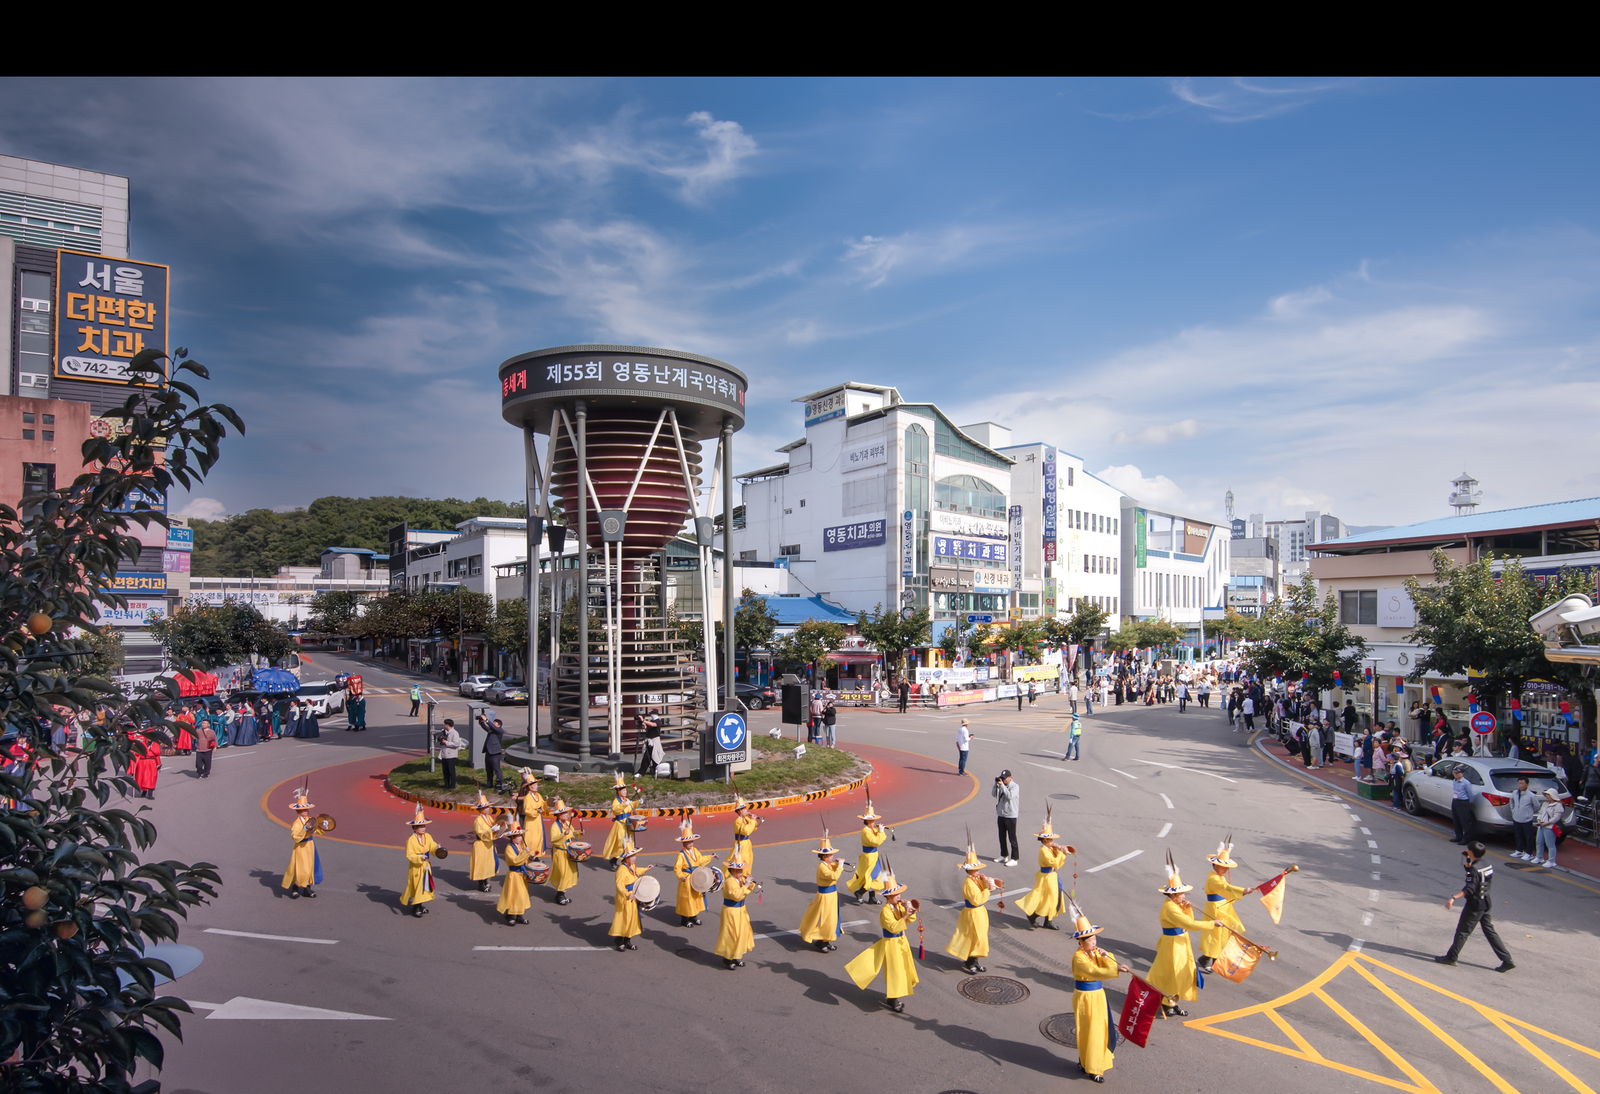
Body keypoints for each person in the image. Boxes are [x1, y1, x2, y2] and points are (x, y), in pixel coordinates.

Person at [844, 859, 919, 1011]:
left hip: (901, 942)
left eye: (899, 894)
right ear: (888, 897)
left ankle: (893, 997)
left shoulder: (898, 906)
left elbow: (911, 919)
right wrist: (905, 916)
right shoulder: (886, 911)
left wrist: (910, 909)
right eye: (895, 895)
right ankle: (893, 1000)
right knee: (895, 971)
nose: (898, 896)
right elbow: (893, 927)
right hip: (891, 944)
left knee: (902, 969)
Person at [1146, 854, 1215, 1019]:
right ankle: (1166, 1002)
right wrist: (1212, 924)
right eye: (1181, 894)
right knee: (1172, 974)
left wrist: (1187, 908)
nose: (1184, 896)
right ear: (1173, 895)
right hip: (1172, 944)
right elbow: (1189, 924)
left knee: (1182, 973)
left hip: (1181, 942)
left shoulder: (1176, 905)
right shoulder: (1170, 908)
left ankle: (1174, 1002)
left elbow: (1188, 920)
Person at [1068, 898, 1129, 1084]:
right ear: (1081, 942)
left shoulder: (1093, 952)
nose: (1094, 942)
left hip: (1098, 996)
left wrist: (1106, 956)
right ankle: (1093, 1068)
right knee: (1090, 1031)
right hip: (1086, 997)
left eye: (1095, 938)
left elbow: (1105, 965)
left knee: (1099, 1029)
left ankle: (1087, 1061)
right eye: (1090, 939)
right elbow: (1094, 972)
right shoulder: (1079, 958)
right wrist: (1116, 969)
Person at [1436, 840, 1513, 971]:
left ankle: (1451, 958)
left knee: (1462, 931)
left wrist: (1453, 898)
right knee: (1489, 931)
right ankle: (1507, 959)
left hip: (1475, 905)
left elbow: (1470, 888)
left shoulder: (1474, 869)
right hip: (1486, 902)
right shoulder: (1486, 864)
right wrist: (1468, 860)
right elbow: (1474, 875)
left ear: (1471, 852)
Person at [1197, 837, 1247, 974]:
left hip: (1223, 906)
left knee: (1224, 934)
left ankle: (1215, 960)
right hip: (1214, 909)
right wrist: (1243, 891)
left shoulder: (1220, 876)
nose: (1226, 869)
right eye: (1223, 867)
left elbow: (1225, 889)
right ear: (1216, 866)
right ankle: (1207, 958)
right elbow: (1224, 888)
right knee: (1214, 935)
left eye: (1226, 867)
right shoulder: (1214, 878)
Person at [944, 845, 993, 975]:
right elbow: (976, 900)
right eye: (976, 869)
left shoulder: (975, 879)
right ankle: (970, 962)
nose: (978, 871)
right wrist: (988, 891)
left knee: (979, 936)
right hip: (973, 912)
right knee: (974, 937)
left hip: (979, 912)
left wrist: (985, 881)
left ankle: (975, 961)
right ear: (969, 870)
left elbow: (982, 889)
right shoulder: (968, 883)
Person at [1017, 810, 1068, 929]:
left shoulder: (1050, 849)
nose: (1053, 841)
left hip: (1052, 876)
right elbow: (1055, 863)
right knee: (1046, 899)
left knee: (1054, 897)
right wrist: (1061, 852)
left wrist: (1058, 848)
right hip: (1046, 877)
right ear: (1045, 840)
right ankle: (1033, 915)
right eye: (1051, 840)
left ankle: (1048, 920)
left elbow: (1058, 860)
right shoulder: (1043, 850)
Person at [799, 832, 845, 952]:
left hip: (832, 895)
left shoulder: (828, 864)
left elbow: (833, 869)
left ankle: (825, 940)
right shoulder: (822, 867)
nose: (832, 857)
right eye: (830, 855)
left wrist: (837, 864)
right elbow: (834, 876)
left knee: (832, 920)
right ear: (824, 857)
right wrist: (840, 866)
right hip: (825, 896)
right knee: (826, 920)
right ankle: (821, 942)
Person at [713, 849, 756, 969]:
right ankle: (728, 959)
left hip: (741, 910)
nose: (741, 873)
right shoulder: (729, 882)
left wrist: (750, 883)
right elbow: (737, 896)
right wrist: (746, 886)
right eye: (738, 870)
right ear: (732, 870)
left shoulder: (740, 879)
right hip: (731, 911)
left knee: (741, 933)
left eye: (741, 870)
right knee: (731, 934)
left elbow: (747, 891)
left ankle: (736, 956)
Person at [609, 840, 653, 951]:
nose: (634, 858)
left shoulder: (632, 866)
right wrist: (627, 894)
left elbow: (635, 872)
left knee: (632, 919)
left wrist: (646, 869)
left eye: (635, 855)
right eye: (632, 856)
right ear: (626, 858)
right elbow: (619, 885)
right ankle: (619, 940)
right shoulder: (621, 870)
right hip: (625, 898)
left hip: (633, 896)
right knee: (624, 919)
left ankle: (628, 940)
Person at [672, 818, 714, 928]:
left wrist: (710, 857)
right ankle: (685, 919)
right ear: (684, 843)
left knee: (696, 897)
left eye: (692, 841)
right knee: (687, 899)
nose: (691, 844)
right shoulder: (681, 855)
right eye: (689, 842)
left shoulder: (695, 851)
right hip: (687, 879)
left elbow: (700, 860)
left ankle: (693, 916)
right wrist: (681, 877)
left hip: (696, 877)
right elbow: (677, 868)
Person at [280, 787, 320, 899]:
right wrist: (304, 829)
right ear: (299, 811)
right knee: (300, 869)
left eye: (307, 809)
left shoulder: (310, 819)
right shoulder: (296, 824)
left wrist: (323, 826)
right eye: (304, 809)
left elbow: (316, 829)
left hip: (309, 846)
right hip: (301, 848)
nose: (307, 811)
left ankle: (306, 889)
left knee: (309, 868)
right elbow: (295, 837)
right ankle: (295, 887)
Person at [400, 805, 440, 917]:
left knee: (424, 886)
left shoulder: (428, 836)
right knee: (418, 886)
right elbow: (409, 855)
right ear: (415, 828)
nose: (423, 828)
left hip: (426, 865)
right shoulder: (410, 840)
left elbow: (432, 846)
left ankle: (420, 905)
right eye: (421, 827)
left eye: (424, 826)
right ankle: (416, 907)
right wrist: (419, 858)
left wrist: (437, 848)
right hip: (416, 867)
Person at [846, 798, 888, 904]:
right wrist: (881, 832)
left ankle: (871, 897)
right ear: (867, 821)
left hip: (874, 855)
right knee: (869, 876)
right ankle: (859, 892)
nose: (874, 823)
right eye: (872, 821)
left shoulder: (871, 829)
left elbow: (877, 836)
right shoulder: (865, 831)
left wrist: (880, 830)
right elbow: (876, 842)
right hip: (868, 856)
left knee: (876, 875)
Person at [497, 823, 535, 925]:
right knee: (513, 896)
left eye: (520, 835)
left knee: (521, 895)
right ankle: (510, 915)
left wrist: (529, 857)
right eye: (518, 836)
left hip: (521, 874)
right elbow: (515, 861)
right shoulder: (509, 848)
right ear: (513, 837)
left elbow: (523, 859)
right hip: (514, 875)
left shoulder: (519, 846)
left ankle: (519, 915)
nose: (520, 838)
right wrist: (525, 853)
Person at [546, 798, 579, 905]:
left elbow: (573, 833)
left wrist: (579, 833)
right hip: (560, 852)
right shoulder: (554, 826)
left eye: (566, 812)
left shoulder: (567, 823)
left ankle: (562, 894)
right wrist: (563, 835)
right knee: (562, 874)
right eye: (564, 813)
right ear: (558, 815)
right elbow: (553, 839)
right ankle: (559, 895)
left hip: (568, 852)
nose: (566, 814)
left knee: (568, 873)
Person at [601, 774, 636, 867]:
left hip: (627, 824)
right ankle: (617, 860)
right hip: (620, 825)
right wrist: (624, 804)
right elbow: (615, 809)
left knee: (629, 842)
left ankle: (624, 862)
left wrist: (638, 803)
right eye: (623, 790)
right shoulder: (616, 801)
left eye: (625, 790)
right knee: (621, 843)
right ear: (619, 791)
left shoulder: (626, 799)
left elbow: (632, 806)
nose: (625, 792)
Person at [469, 791, 500, 893]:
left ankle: (486, 881)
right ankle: (481, 884)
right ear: (481, 809)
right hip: (481, 844)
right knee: (481, 865)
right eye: (486, 807)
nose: (488, 809)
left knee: (488, 864)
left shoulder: (489, 818)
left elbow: (493, 826)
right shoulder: (478, 820)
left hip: (489, 844)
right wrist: (491, 831)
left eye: (488, 807)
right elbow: (480, 833)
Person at [515, 767, 548, 857]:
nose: (536, 786)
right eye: (534, 785)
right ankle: (528, 855)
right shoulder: (528, 798)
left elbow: (542, 805)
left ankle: (536, 855)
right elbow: (527, 810)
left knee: (538, 837)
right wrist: (536, 811)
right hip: (530, 821)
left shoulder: (538, 795)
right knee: (530, 838)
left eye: (536, 785)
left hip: (538, 820)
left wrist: (548, 803)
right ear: (530, 787)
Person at [993, 770, 1020, 865]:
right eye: (1002, 778)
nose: (1003, 780)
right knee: (1001, 836)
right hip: (1001, 814)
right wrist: (996, 784)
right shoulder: (1001, 785)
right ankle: (1004, 855)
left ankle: (1014, 858)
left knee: (1012, 837)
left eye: (1005, 778)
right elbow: (994, 794)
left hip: (1011, 815)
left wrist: (1002, 786)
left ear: (1010, 778)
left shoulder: (1015, 786)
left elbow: (1009, 796)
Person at [1508, 777, 1538, 860]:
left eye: (1522, 783)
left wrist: (1529, 813)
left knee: (1528, 837)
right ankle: (1519, 850)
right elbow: (1512, 802)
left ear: (1527, 785)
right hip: (1516, 818)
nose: (1520, 785)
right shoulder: (1515, 793)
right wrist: (1513, 810)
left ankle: (1529, 853)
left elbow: (1537, 806)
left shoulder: (1531, 795)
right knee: (1518, 835)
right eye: (1519, 783)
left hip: (1526, 819)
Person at [731, 791, 761, 875]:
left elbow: (754, 828)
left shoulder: (746, 819)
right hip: (741, 844)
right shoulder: (738, 821)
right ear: (739, 811)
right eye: (744, 809)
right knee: (741, 861)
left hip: (747, 843)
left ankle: (747, 877)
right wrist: (752, 821)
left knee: (749, 861)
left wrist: (753, 820)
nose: (746, 810)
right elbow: (746, 831)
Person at [1532, 788, 1563, 868]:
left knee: (1550, 844)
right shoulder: (1545, 804)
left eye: (1548, 795)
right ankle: (1539, 857)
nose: (1547, 796)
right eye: (1546, 795)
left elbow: (1556, 817)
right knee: (1539, 842)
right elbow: (1540, 813)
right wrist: (1539, 820)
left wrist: (1547, 823)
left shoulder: (1558, 805)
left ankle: (1551, 860)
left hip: (1549, 827)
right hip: (1541, 826)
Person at [477, 713, 506, 792]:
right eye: (493, 723)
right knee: (488, 769)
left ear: (499, 725)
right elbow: (486, 727)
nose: (493, 724)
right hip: (488, 752)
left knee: (496, 769)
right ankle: (489, 783)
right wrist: (481, 722)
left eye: (495, 723)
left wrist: (486, 720)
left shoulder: (499, 731)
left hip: (495, 753)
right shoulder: (491, 730)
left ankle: (499, 783)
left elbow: (493, 727)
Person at [129, 730, 160, 799]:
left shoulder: (155, 744)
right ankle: (144, 791)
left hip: (151, 762)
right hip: (142, 762)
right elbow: (137, 753)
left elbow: (157, 753)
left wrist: (158, 763)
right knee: (142, 777)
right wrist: (134, 751)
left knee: (151, 778)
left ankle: (150, 794)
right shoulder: (142, 743)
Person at [436, 719, 465, 790]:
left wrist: (446, 742)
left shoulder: (454, 733)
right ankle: (446, 785)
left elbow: (456, 744)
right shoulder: (445, 732)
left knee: (451, 771)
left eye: (445, 724)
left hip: (451, 755)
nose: (444, 726)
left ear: (447, 725)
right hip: (444, 754)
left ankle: (452, 786)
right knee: (445, 771)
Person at [1449, 768, 1474, 843]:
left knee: (1464, 820)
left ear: (1462, 774)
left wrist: (1470, 802)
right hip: (1455, 800)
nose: (1456, 774)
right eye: (1455, 773)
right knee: (1456, 820)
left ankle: (1466, 838)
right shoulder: (1454, 781)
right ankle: (1458, 836)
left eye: (1458, 773)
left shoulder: (1466, 783)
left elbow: (1470, 794)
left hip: (1463, 802)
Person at [193, 712, 218, 779]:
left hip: (208, 749)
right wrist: (191, 732)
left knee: (207, 762)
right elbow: (194, 737)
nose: (203, 724)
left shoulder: (211, 731)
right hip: (199, 749)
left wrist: (215, 747)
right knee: (198, 763)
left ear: (208, 724)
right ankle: (200, 772)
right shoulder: (198, 731)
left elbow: (215, 739)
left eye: (205, 723)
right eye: (202, 723)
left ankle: (206, 773)